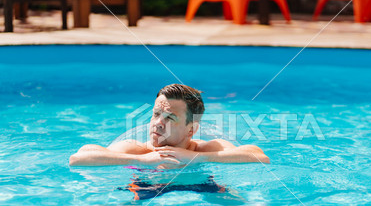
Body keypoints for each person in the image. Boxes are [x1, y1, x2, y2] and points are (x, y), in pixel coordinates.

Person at [69, 84, 270, 167]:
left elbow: (260, 157)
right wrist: (144, 161)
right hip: (145, 188)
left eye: (170, 118)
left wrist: (195, 158)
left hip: (202, 188)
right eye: (156, 114)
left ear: (191, 129)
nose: (158, 123)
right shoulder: (137, 150)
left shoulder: (205, 148)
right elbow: (78, 158)